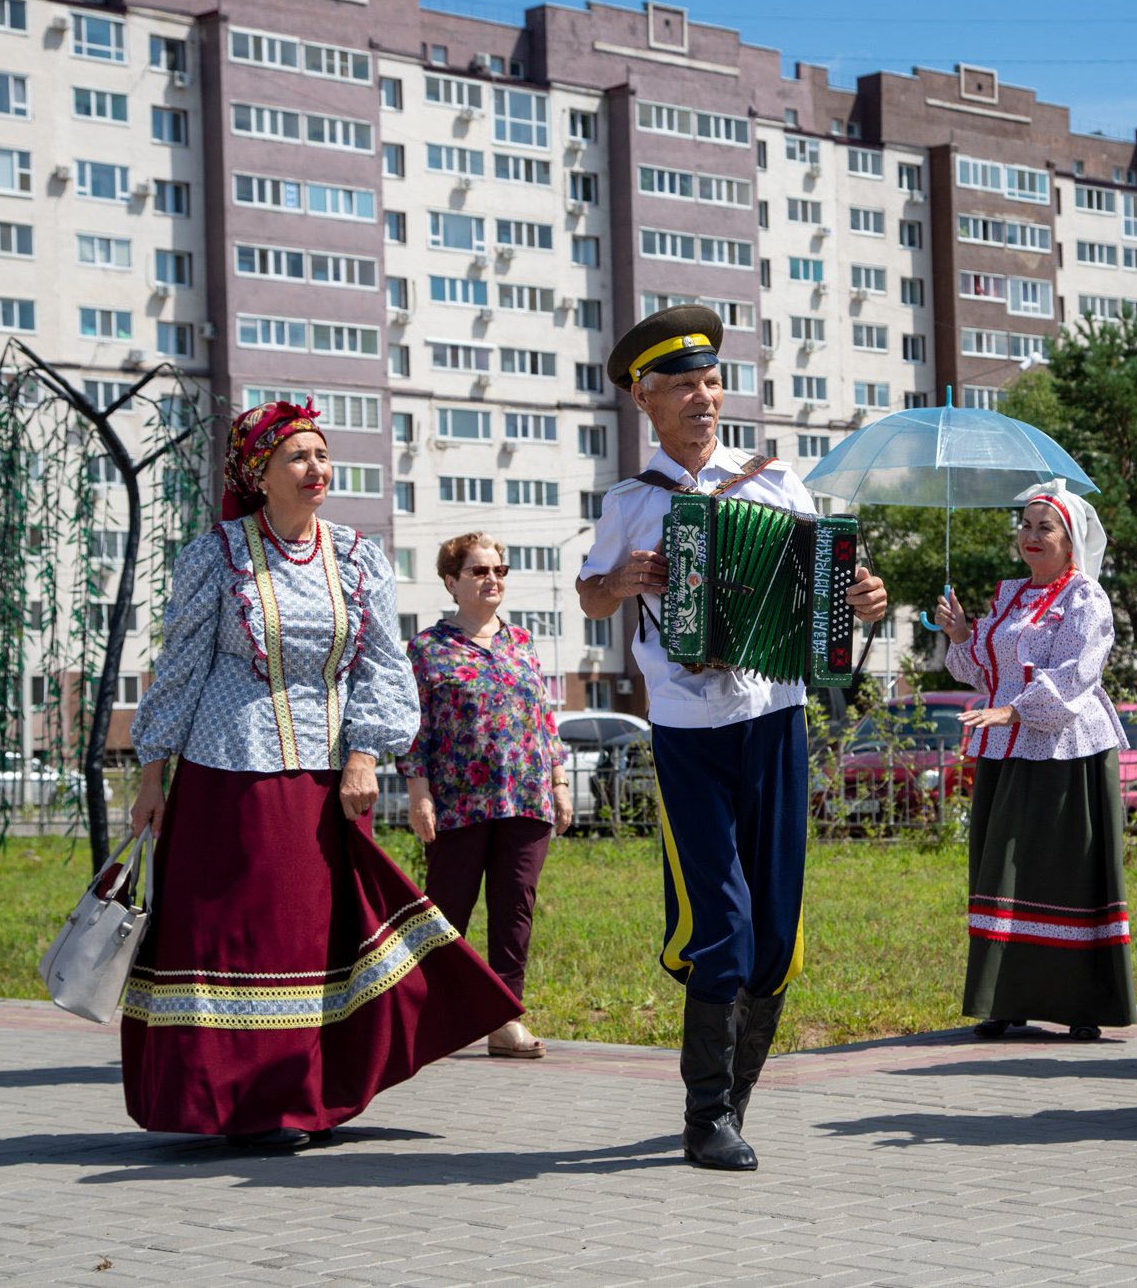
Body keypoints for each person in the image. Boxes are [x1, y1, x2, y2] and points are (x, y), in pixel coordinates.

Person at [123, 399, 521, 1151]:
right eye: (297, 456)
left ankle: (305, 1093)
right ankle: (238, 1098)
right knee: (244, 938)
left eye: (321, 454)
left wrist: (367, 753)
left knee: (316, 936)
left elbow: (380, 666)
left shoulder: (355, 555)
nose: (316, 469)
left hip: (333, 777)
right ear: (259, 473)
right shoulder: (219, 553)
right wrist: (152, 775)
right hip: (231, 771)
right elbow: (178, 668)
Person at [576, 305, 889, 1171]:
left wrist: (864, 601)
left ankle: (735, 1102)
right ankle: (705, 1112)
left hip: (776, 720)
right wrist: (621, 579)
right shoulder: (633, 502)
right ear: (645, 398)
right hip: (689, 733)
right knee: (725, 920)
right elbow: (592, 596)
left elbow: (831, 592)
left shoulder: (775, 485)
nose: (705, 397)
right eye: (683, 385)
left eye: (712, 381)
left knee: (778, 930)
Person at [934, 481, 1137, 1042]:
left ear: (1069, 541)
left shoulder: (1086, 599)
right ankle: (1005, 996)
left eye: (1043, 526)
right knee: (1004, 870)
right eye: (1024, 525)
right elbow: (984, 672)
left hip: (1066, 751)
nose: (1029, 535)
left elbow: (1078, 674)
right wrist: (961, 635)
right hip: (1006, 749)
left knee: (1065, 874)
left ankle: (1080, 1000)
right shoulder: (1010, 597)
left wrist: (1012, 713)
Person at [398, 532, 572, 1061]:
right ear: (451, 582)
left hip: (525, 797)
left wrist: (559, 783)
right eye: (478, 571)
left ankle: (504, 1018)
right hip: (457, 801)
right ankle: (431, 1015)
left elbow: (543, 720)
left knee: (514, 910)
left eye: (499, 569)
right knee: (446, 911)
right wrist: (418, 793)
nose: (492, 578)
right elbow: (416, 729)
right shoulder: (427, 648)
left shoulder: (521, 642)